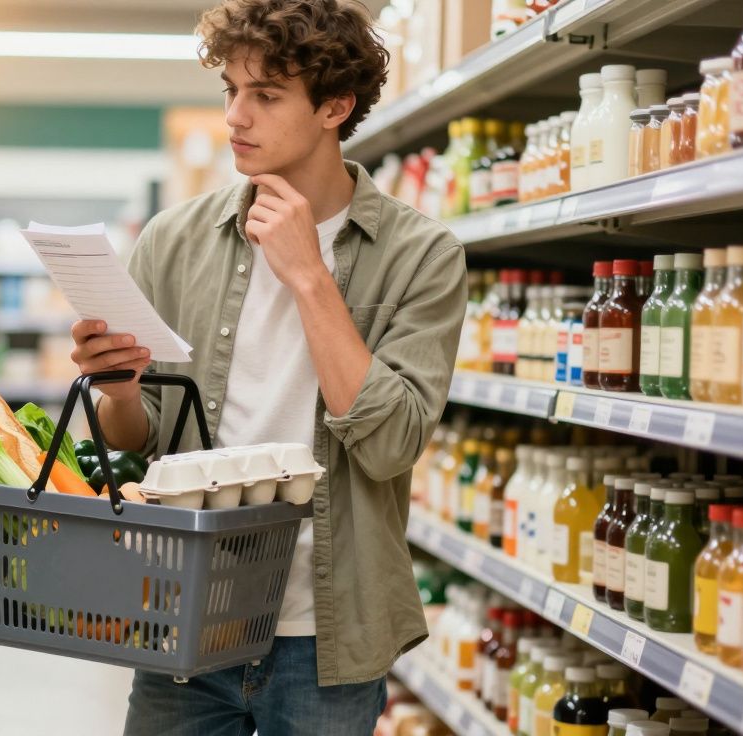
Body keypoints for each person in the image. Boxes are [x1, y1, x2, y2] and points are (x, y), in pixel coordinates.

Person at [69, 0, 468, 733]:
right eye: (231, 90)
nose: (235, 117)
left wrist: (310, 277)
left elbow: (391, 445)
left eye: (266, 94)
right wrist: (118, 392)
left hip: (325, 635)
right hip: (185, 609)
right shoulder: (172, 241)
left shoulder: (422, 257)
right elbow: (136, 435)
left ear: (335, 107)